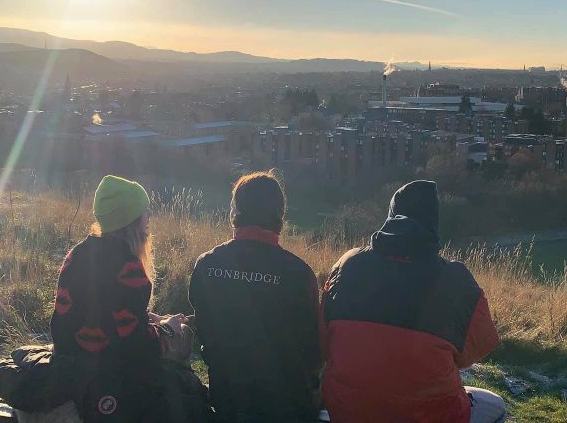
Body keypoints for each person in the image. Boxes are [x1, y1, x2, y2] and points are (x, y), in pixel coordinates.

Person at [320, 180, 505, 423]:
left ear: (390, 217)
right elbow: (474, 352)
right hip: (433, 415)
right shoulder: (457, 281)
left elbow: (323, 339)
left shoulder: (348, 264)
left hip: (349, 411)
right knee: (496, 407)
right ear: (433, 224)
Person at [48, 174, 209, 423]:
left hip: (67, 358)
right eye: (145, 213)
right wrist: (167, 329)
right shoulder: (129, 268)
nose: (149, 218)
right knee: (184, 335)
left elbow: (103, 313)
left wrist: (151, 319)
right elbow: (136, 346)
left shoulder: (77, 254)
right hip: (107, 370)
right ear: (132, 222)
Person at [189, 171, 321, 422]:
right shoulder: (298, 273)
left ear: (234, 212)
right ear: (280, 215)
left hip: (226, 398)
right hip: (287, 405)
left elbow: (203, 330)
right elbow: (314, 348)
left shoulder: (207, 265)